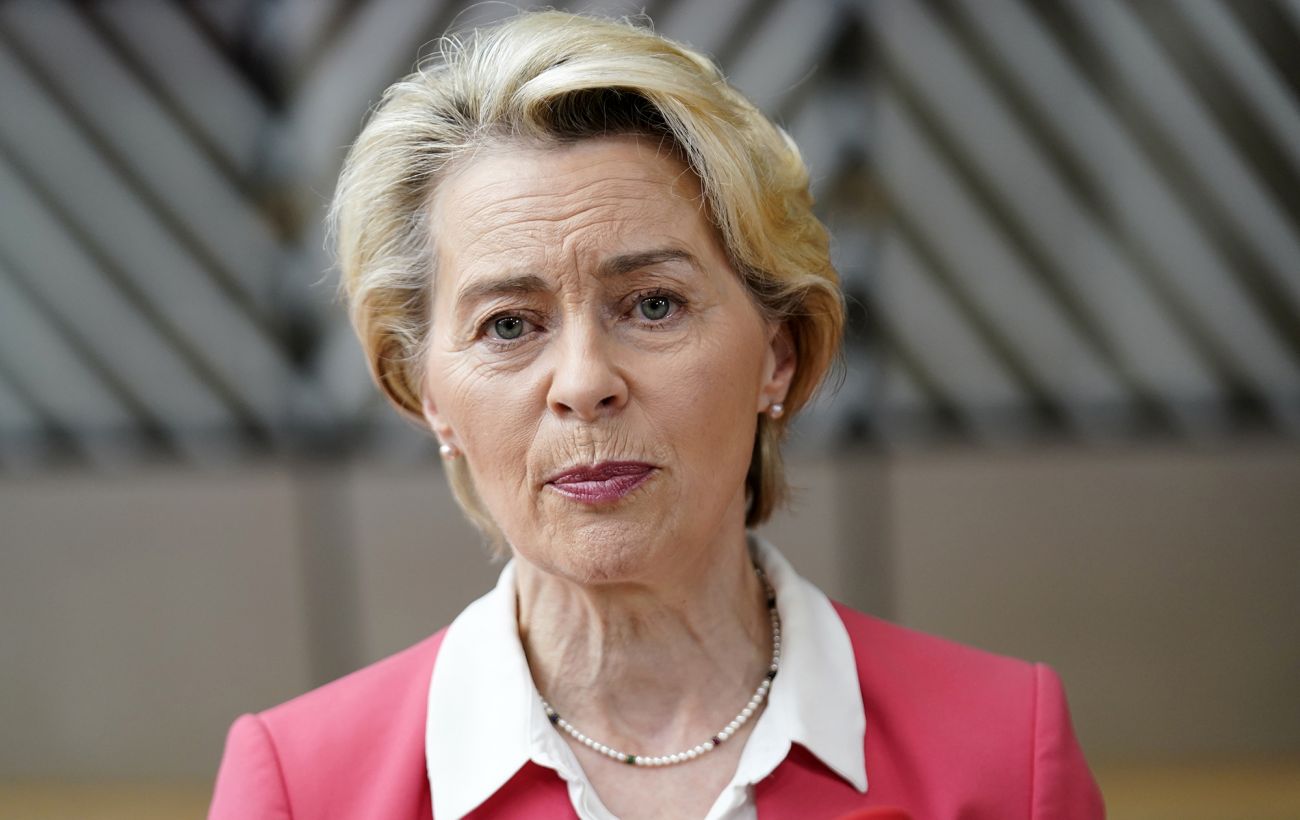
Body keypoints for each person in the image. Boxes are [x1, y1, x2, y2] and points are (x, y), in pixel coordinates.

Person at [209, 11, 1104, 819]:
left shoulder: (1005, 755)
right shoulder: (302, 789)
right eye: (509, 324)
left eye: (653, 305)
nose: (584, 383)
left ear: (778, 353)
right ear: (426, 393)